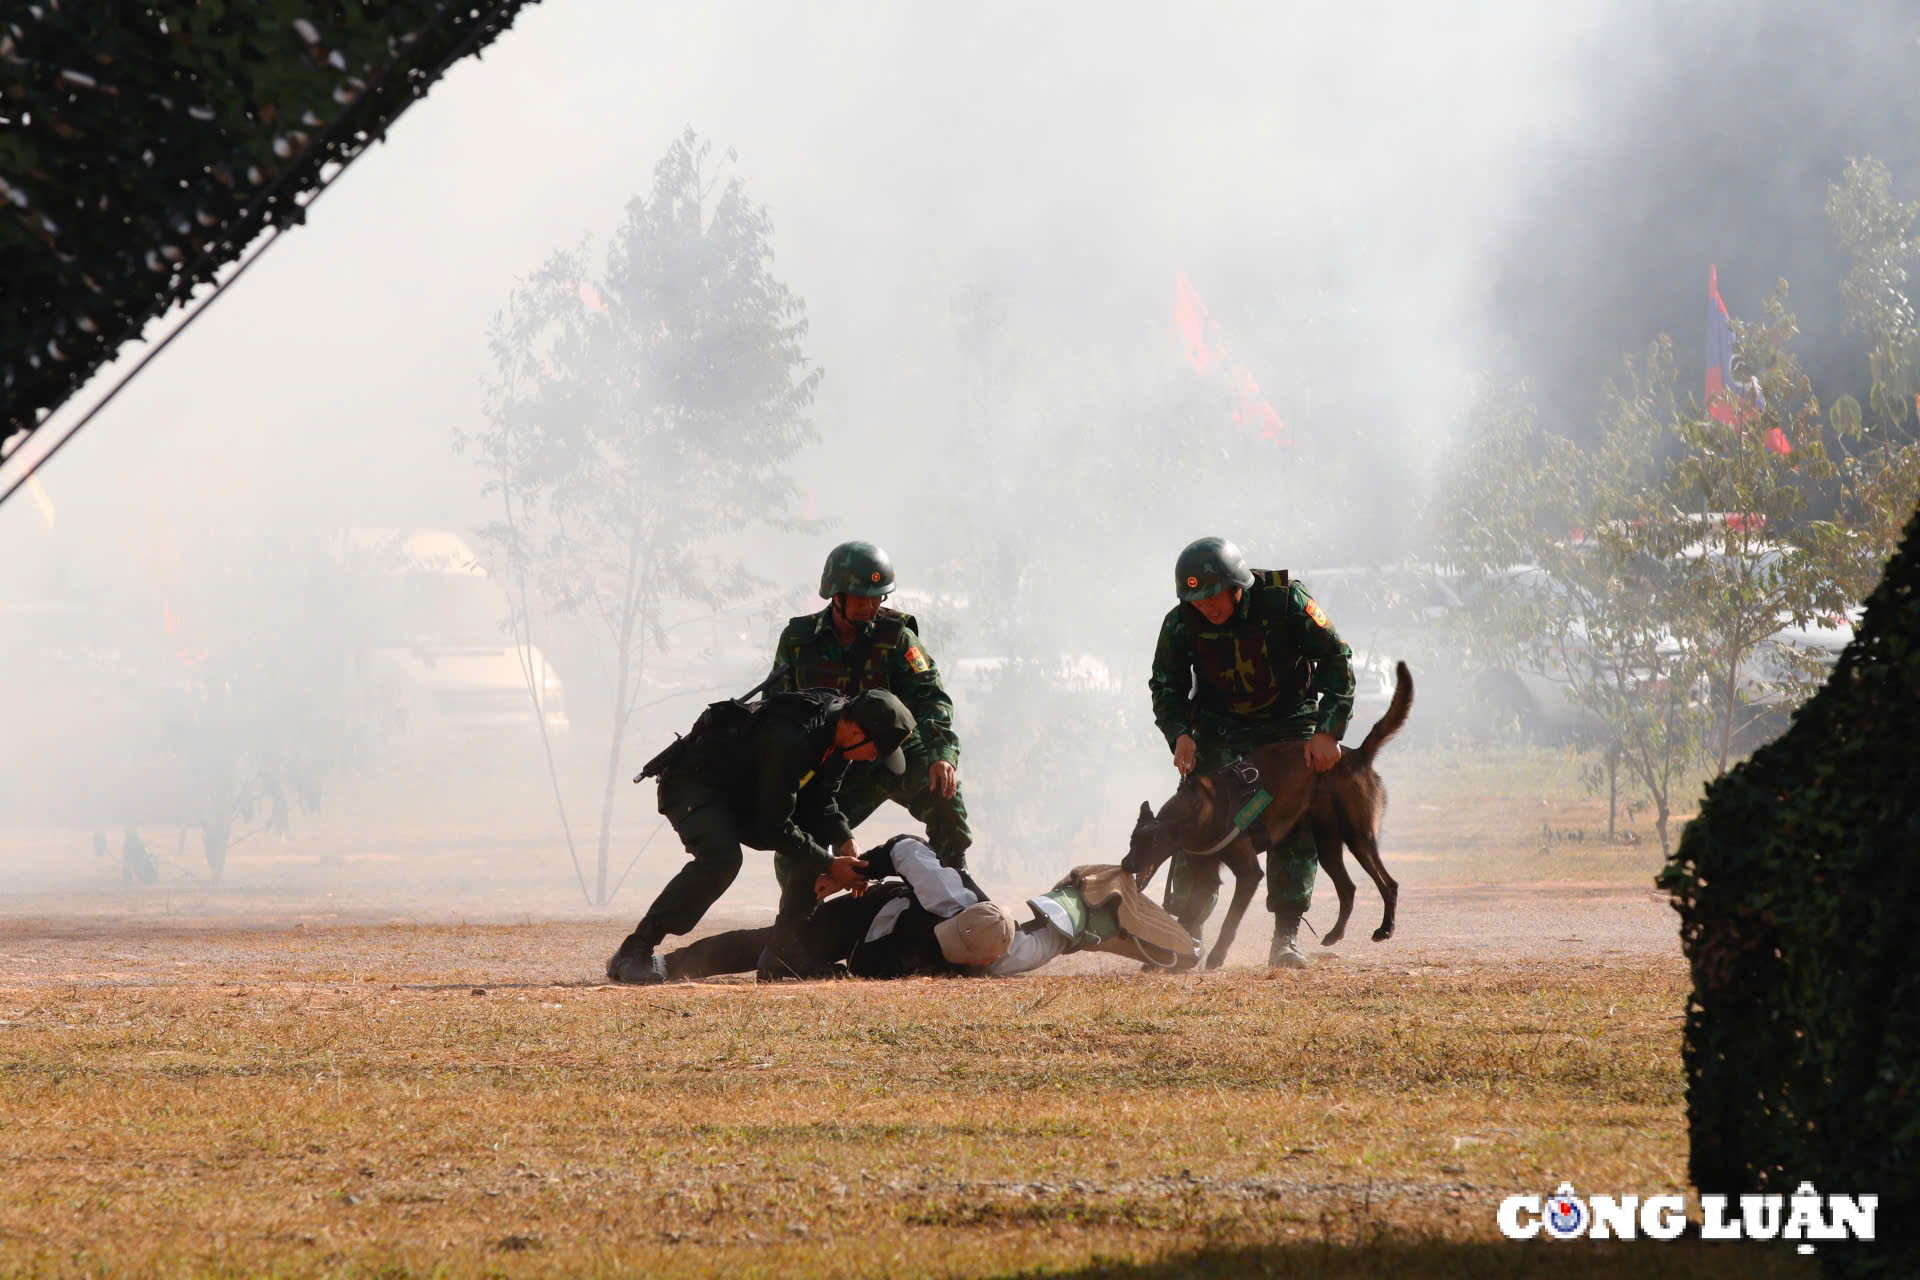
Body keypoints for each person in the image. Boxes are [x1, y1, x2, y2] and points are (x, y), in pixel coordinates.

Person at [605, 687, 917, 985]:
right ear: (855, 732)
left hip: (739, 795)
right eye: (875, 750)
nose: (874, 759)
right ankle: (634, 950)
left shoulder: (838, 740)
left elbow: (822, 801)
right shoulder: (792, 739)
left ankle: (784, 956)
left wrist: (845, 840)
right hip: (693, 785)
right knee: (721, 859)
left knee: (814, 836)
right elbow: (774, 827)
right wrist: (831, 863)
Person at [1147, 536, 1356, 968]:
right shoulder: (1180, 622)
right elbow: (1165, 686)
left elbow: (1338, 660)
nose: (1208, 608)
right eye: (1198, 601)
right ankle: (1186, 935)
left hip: (1290, 725)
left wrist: (1328, 731)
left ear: (1236, 584)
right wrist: (1180, 735)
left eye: (1213, 597)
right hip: (1219, 729)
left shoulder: (1285, 601)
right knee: (1196, 820)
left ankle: (1286, 935)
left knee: (1296, 820)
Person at [767, 541, 972, 869]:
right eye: (862, 598)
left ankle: (957, 880)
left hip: (897, 754)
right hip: (835, 763)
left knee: (944, 792)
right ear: (836, 596)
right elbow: (776, 709)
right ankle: (800, 915)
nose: (870, 606)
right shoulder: (798, 641)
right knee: (799, 837)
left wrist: (942, 756)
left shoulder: (898, 638)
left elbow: (931, 697)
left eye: (877, 597)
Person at [661, 835, 1014, 980]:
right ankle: (666, 965)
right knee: (774, 947)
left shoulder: (1011, 951)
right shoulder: (944, 895)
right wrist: (852, 873)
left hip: (889, 939)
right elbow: (905, 848)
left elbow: (1050, 935)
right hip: (870, 910)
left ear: (986, 959)